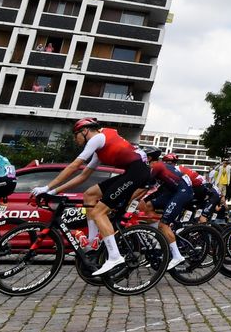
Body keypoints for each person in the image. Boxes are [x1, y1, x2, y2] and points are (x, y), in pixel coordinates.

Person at [32, 117, 151, 276]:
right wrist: (54, 191)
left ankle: (114, 257)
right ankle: (92, 241)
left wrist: (46, 186)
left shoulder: (97, 138)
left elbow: (74, 166)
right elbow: (83, 176)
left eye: (76, 135)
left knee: (98, 212)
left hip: (138, 173)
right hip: (133, 172)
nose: (76, 139)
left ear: (85, 131)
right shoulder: (99, 150)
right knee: (89, 195)